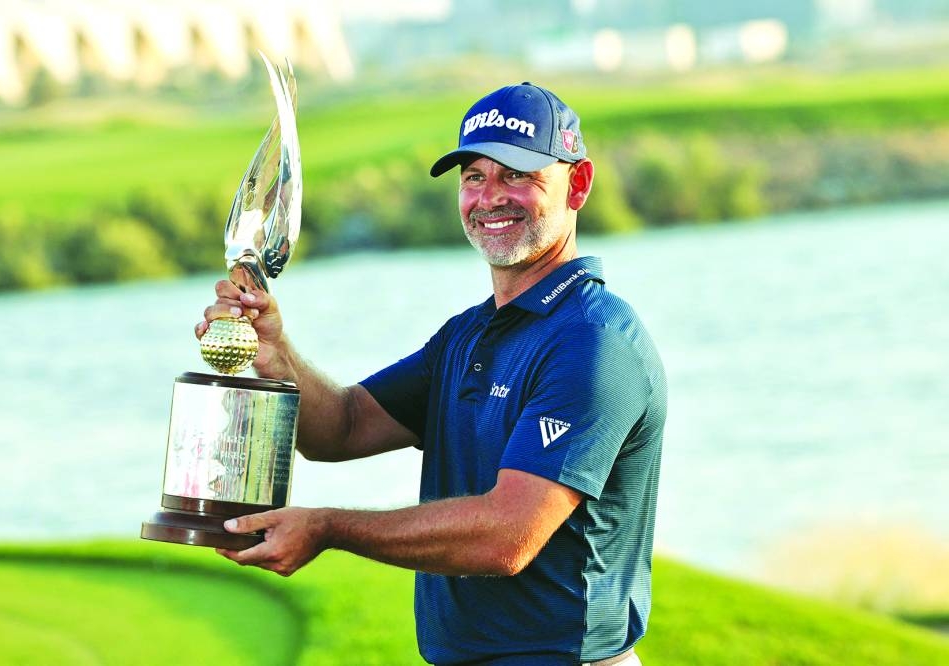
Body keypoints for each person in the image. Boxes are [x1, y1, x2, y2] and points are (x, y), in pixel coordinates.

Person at [197, 82, 666, 666]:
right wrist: (277, 353)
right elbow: (340, 428)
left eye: (516, 175)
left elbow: (506, 534)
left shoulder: (594, 341)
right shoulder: (465, 335)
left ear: (578, 184)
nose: (489, 198)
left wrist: (328, 527)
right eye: (473, 177)